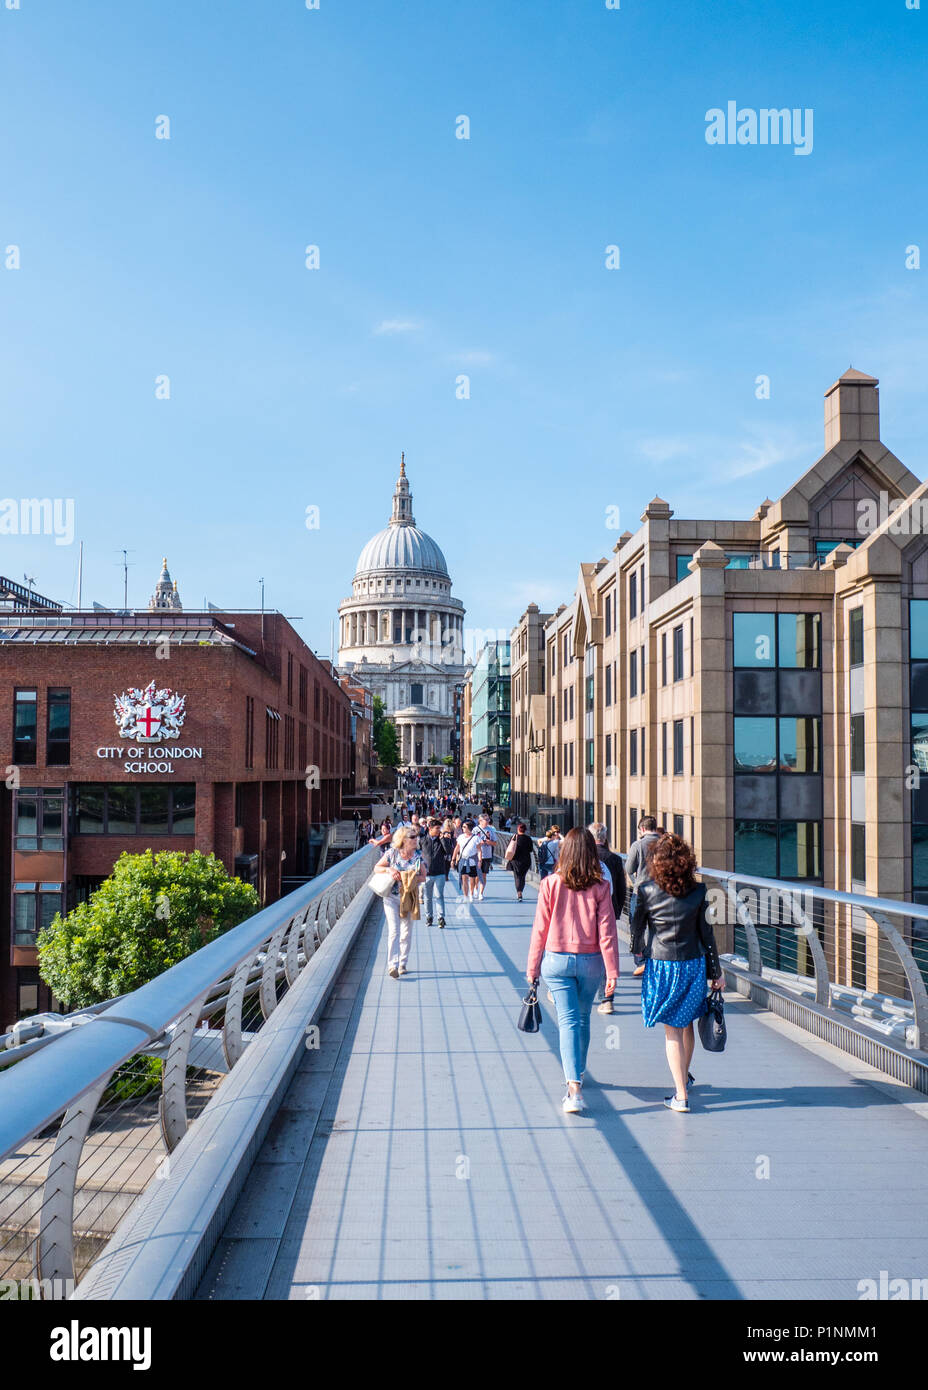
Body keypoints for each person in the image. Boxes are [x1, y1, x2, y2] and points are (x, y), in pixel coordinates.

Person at [526, 828, 619, 1115]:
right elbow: (607, 931)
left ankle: (574, 1088)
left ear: (564, 851)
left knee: (568, 1022)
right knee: (582, 1018)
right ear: (592, 852)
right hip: (590, 960)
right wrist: (612, 970)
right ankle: (578, 1070)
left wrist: (532, 968)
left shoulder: (550, 884)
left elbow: (540, 929)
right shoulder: (601, 886)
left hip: (556, 960)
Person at [631, 833, 726, 1113]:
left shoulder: (646, 890)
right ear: (686, 861)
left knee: (671, 1031)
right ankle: (683, 1077)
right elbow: (706, 934)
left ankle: (681, 1095)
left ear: (656, 862)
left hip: (662, 965)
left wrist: (638, 952)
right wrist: (716, 972)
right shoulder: (698, 891)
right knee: (686, 1024)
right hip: (693, 964)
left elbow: (637, 927)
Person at [375, 826, 426, 978]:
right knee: (394, 931)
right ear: (403, 840)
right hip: (391, 897)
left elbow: (424, 876)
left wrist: (409, 878)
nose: (416, 839)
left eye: (416, 836)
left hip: (409, 897)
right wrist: (389, 870)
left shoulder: (417, 856)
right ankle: (392, 965)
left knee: (406, 933)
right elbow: (377, 867)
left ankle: (403, 962)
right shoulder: (392, 853)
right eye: (412, 837)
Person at [588, 824, 627, 1015]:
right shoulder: (615, 859)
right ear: (605, 837)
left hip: (585, 913)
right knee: (606, 951)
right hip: (607, 911)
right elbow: (620, 889)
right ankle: (607, 998)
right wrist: (617, 911)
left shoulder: (584, 857)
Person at [625, 815, 661, 977]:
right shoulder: (665, 844)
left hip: (641, 892)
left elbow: (629, 867)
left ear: (643, 829)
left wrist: (636, 881)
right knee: (658, 926)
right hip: (662, 892)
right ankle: (656, 958)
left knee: (637, 926)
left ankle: (641, 961)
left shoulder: (638, 845)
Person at [420, 818, 451, 927]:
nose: (439, 830)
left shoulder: (442, 839)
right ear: (430, 828)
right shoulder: (423, 840)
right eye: (437, 828)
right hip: (426, 874)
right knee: (427, 897)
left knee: (439, 896)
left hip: (440, 873)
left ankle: (441, 918)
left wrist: (443, 839)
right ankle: (429, 917)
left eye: (440, 828)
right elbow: (417, 854)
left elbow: (448, 851)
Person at [452, 818, 482, 900]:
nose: (463, 828)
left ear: (469, 828)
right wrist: (453, 859)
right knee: (464, 878)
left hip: (472, 861)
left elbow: (479, 850)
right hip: (463, 860)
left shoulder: (476, 838)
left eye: (464, 827)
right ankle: (465, 895)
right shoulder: (460, 837)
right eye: (463, 827)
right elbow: (457, 848)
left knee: (472, 879)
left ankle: (471, 893)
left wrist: (480, 860)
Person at [507, 821, 534, 901]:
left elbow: (510, 848)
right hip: (526, 860)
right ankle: (520, 891)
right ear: (525, 830)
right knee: (523, 876)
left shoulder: (514, 837)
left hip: (515, 860)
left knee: (517, 876)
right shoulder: (528, 838)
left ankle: (519, 893)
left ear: (518, 829)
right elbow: (530, 849)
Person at [475, 812, 498, 900]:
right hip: (477, 855)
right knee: (477, 875)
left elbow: (495, 843)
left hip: (487, 855)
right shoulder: (475, 830)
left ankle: (481, 893)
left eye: (488, 819)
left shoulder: (491, 830)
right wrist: (479, 843)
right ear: (480, 821)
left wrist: (489, 842)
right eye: (486, 819)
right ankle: (475, 888)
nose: (488, 821)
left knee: (484, 875)